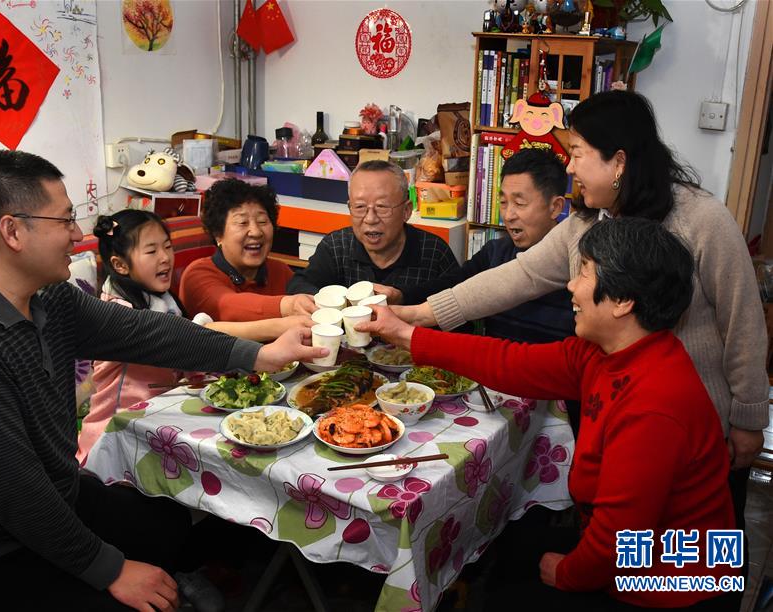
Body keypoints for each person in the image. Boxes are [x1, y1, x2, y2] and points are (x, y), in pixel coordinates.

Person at [0, 150, 326, 612]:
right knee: (140, 596)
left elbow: (148, 333)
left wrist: (260, 355)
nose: (77, 235)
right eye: (65, 220)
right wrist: (110, 569)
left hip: (58, 496)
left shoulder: (48, 297)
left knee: (170, 526)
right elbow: (16, 494)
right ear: (12, 231)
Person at [393, 90, 769, 528]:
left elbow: (743, 321)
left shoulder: (702, 219)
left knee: (687, 550)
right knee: (621, 535)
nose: (568, 167)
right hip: (610, 413)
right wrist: (420, 314)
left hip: (691, 423)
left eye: (576, 153)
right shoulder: (588, 220)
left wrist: (748, 416)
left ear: (619, 162)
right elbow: (519, 276)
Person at [359, 218, 740, 611]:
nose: (571, 286)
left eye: (586, 273)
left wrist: (567, 573)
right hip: (620, 551)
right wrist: (408, 334)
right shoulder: (607, 352)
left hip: (670, 586)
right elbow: (511, 362)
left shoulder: (655, 405)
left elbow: (616, 542)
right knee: (504, 548)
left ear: (623, 300)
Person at [76, 209, 314, 465]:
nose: (165, 258)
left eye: (167, 247)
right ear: (120, 265)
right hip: (116, 435)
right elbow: (182, 339)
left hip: (158, 421)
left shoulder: (162, 299)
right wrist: (274, 334)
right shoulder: (116, 315)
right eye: (151, 251)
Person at [388, 148, 574, 344]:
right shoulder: (495, 252)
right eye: (503, 202)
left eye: (519, 203)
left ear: (556, 207)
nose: (508, 215)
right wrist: (401, 296)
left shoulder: (576, 264)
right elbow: (453, 284)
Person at [285, 160, 460, 299]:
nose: (370, 219)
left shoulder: (434, 253)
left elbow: (460, 317)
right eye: (360, 207)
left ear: (406, 211)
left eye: (382, 207)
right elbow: (300, 284)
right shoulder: (336, 247)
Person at [178, 178, 317, 321]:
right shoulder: (197, 275)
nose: (256, 232)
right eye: (242, 223)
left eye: (262, 222)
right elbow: (226, 307)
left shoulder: (279, 271)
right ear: (218, 234)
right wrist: (288, 306)